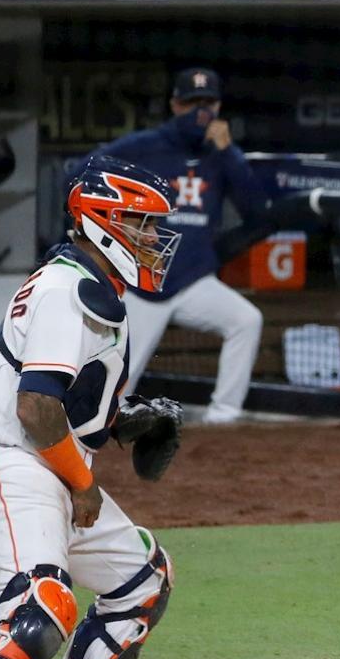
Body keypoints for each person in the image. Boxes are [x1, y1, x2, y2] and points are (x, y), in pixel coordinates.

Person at [0, 156, 180, 659]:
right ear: (99, 220)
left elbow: (67, 399)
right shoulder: (66, 290)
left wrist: (122, 421)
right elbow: (36, 407)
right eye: (140, 224)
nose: (152, 237)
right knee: (39, 607)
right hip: (12, 462)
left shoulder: (86, 284)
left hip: (42, 465)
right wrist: (82, 481)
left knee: (141, 582)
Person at [71, 66, 267, 424]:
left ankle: (224, 416)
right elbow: (80, 172)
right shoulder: (146, 146)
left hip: (193, 280)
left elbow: (256, 209)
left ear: (220, 106)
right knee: (118, 387)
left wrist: (228, 153)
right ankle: (95, 427)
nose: (201, 112)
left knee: (246, 320)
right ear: (175, 105)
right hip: (143, 282)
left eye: (208, 102)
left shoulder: (221, 154)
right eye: (193, 102)